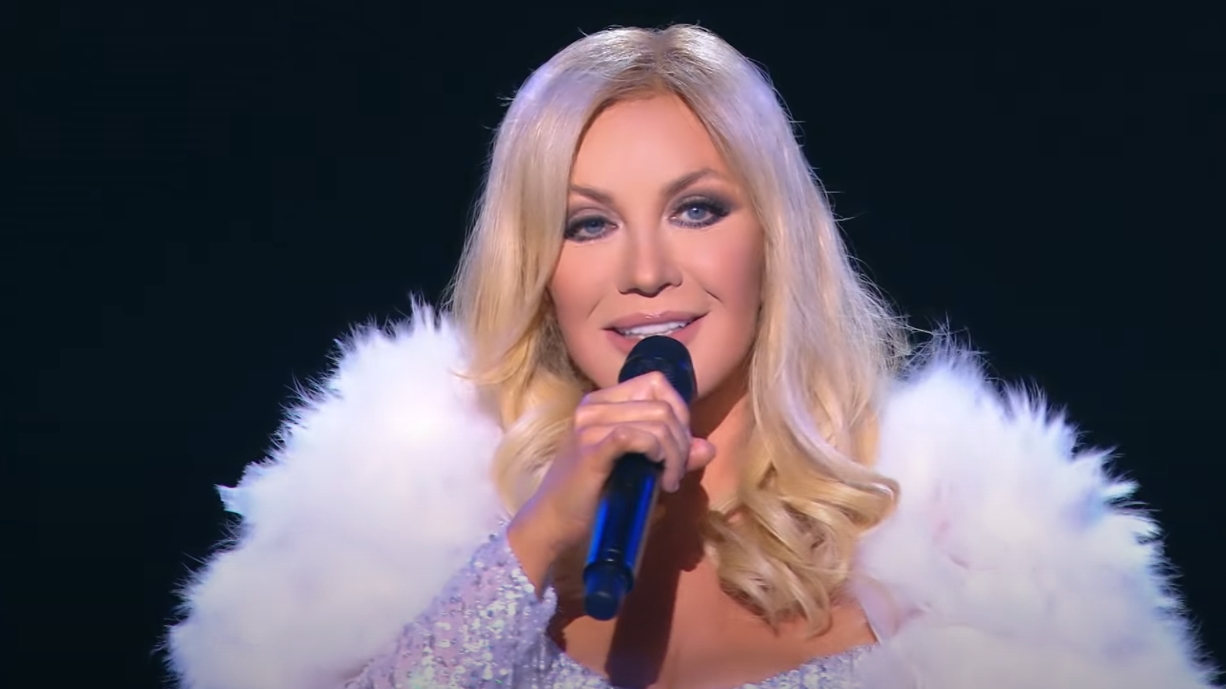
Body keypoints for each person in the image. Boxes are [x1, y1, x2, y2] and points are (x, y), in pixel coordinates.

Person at [163, 24, 1218, 689]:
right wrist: (536, 542)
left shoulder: (970, 555)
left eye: (697, 209)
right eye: (587, 224)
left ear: (776, 240)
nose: (646, 271)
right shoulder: (399, 541)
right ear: (538, 270)